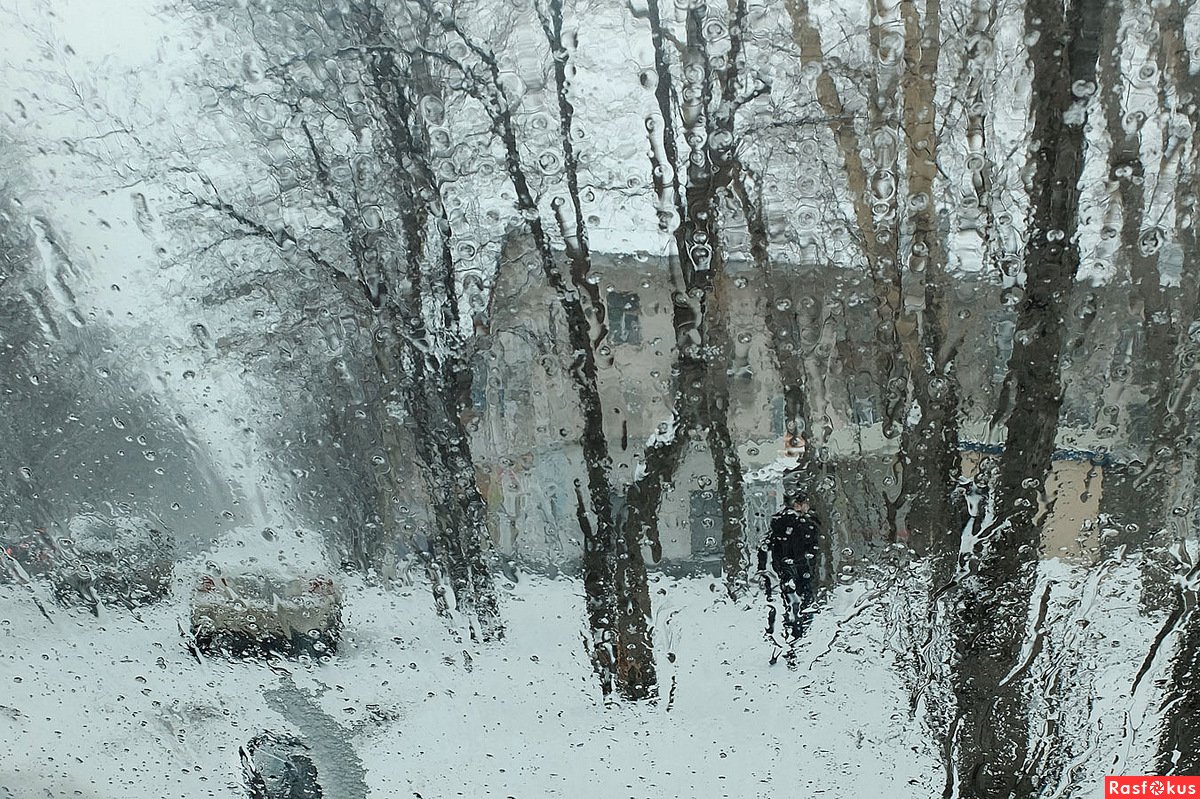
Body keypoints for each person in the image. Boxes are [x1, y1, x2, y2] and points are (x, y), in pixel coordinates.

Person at [756, 490, 821, 650]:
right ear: (798, 505)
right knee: (803, 598)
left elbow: (766, 544)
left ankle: (792, 630)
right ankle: (799, 634)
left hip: (783, 565)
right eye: (804, 504)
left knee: (791, 599)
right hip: (799, 565)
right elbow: (811, 543)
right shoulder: (802, 522)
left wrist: (762, 567)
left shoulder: (779, 521)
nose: (807, 507)